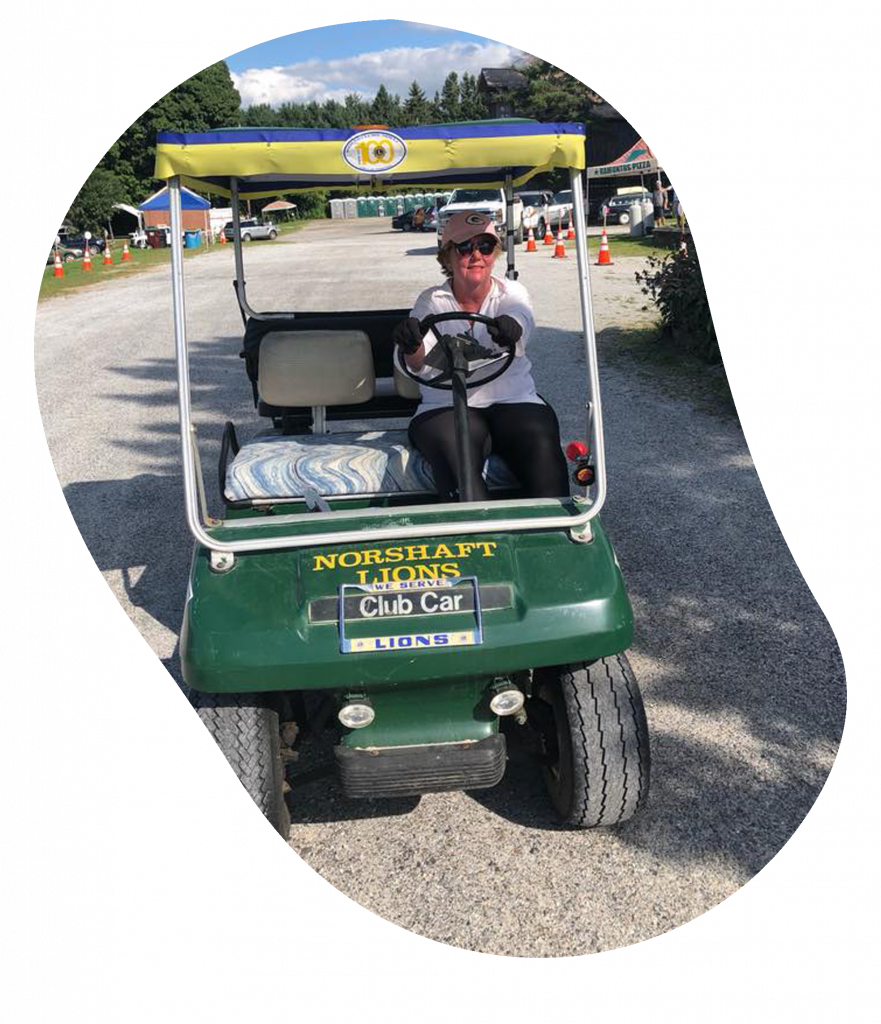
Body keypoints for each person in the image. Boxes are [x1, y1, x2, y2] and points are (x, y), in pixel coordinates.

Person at [392, 212, 570, 503]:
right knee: (456, 451)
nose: (476, 255)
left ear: (494, 254)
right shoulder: (432, 302)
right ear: (447, 257)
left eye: (485, 247)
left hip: (513, 399)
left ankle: (552, 522)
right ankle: (477, 524)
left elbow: (521, 317)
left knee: (539, 439)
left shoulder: (510, 293)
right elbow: (418, 363)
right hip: (447, 403)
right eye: (465, 247)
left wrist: (511, 328)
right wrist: (412, 345)